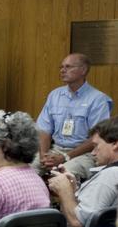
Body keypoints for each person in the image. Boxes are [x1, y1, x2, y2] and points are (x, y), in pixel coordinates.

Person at [48, 116, 118, 227]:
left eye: (97, 146)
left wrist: (64, 191)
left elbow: (79, 223)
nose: (93, 152)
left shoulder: (112, 175)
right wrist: (73, 191)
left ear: (115, 144)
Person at [36, 53, 112, 181]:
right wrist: (44, 156)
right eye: (61, 67)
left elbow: (96, 138)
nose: (62, 70)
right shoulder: (55, 95)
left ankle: (67, 201)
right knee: (25, 169)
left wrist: (65, 157)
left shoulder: (98, 99)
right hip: (56, 150)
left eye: (68, 67)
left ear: (83, 70)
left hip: (85, 154)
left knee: (64, 174)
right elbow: (44, 129)